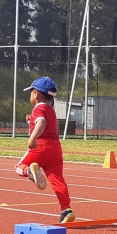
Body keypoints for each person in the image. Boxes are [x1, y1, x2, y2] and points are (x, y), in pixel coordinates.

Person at [15, 76, 75, 224]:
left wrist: (33, 137)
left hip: (41, 146)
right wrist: (30, 120)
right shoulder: (50, 109)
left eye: (31, 93)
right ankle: (66, 209)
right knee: (57, 180)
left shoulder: (38, 108)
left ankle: (29, 171)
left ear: (35, 93)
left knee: (18, 167)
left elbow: (41, 122)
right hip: (55, 149)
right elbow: (45, 121)